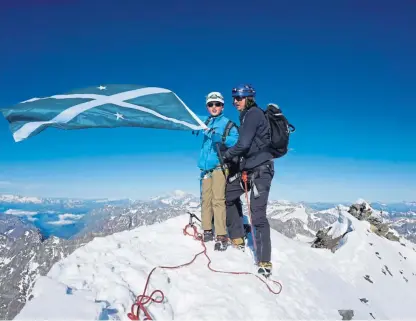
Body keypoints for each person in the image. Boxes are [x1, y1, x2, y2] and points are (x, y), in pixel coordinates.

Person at [222, 84, 275, 276]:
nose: (235, 101)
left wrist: (227, 154)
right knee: (228, 195)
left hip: (261, 170)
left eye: (239, 97)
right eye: (234, 98)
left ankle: (264, 261)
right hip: (250, 168)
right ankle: (237, 237)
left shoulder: (252, 114)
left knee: (257, 213)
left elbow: (243, 144)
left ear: (249, 98)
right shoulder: (246, 115)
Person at [197, 91, 239, 251]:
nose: (214, 107)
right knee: (205, 199)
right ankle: (207, 229)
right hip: (205, 168)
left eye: (217, 104)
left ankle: (221, 234)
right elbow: (189, 118)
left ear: (222, 106)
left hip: (220, 166)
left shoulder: (228, 124)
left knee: (218, 200)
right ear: (207, 106)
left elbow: (236, 141)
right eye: (210, 104)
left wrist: (221, 139)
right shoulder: (205, 122)